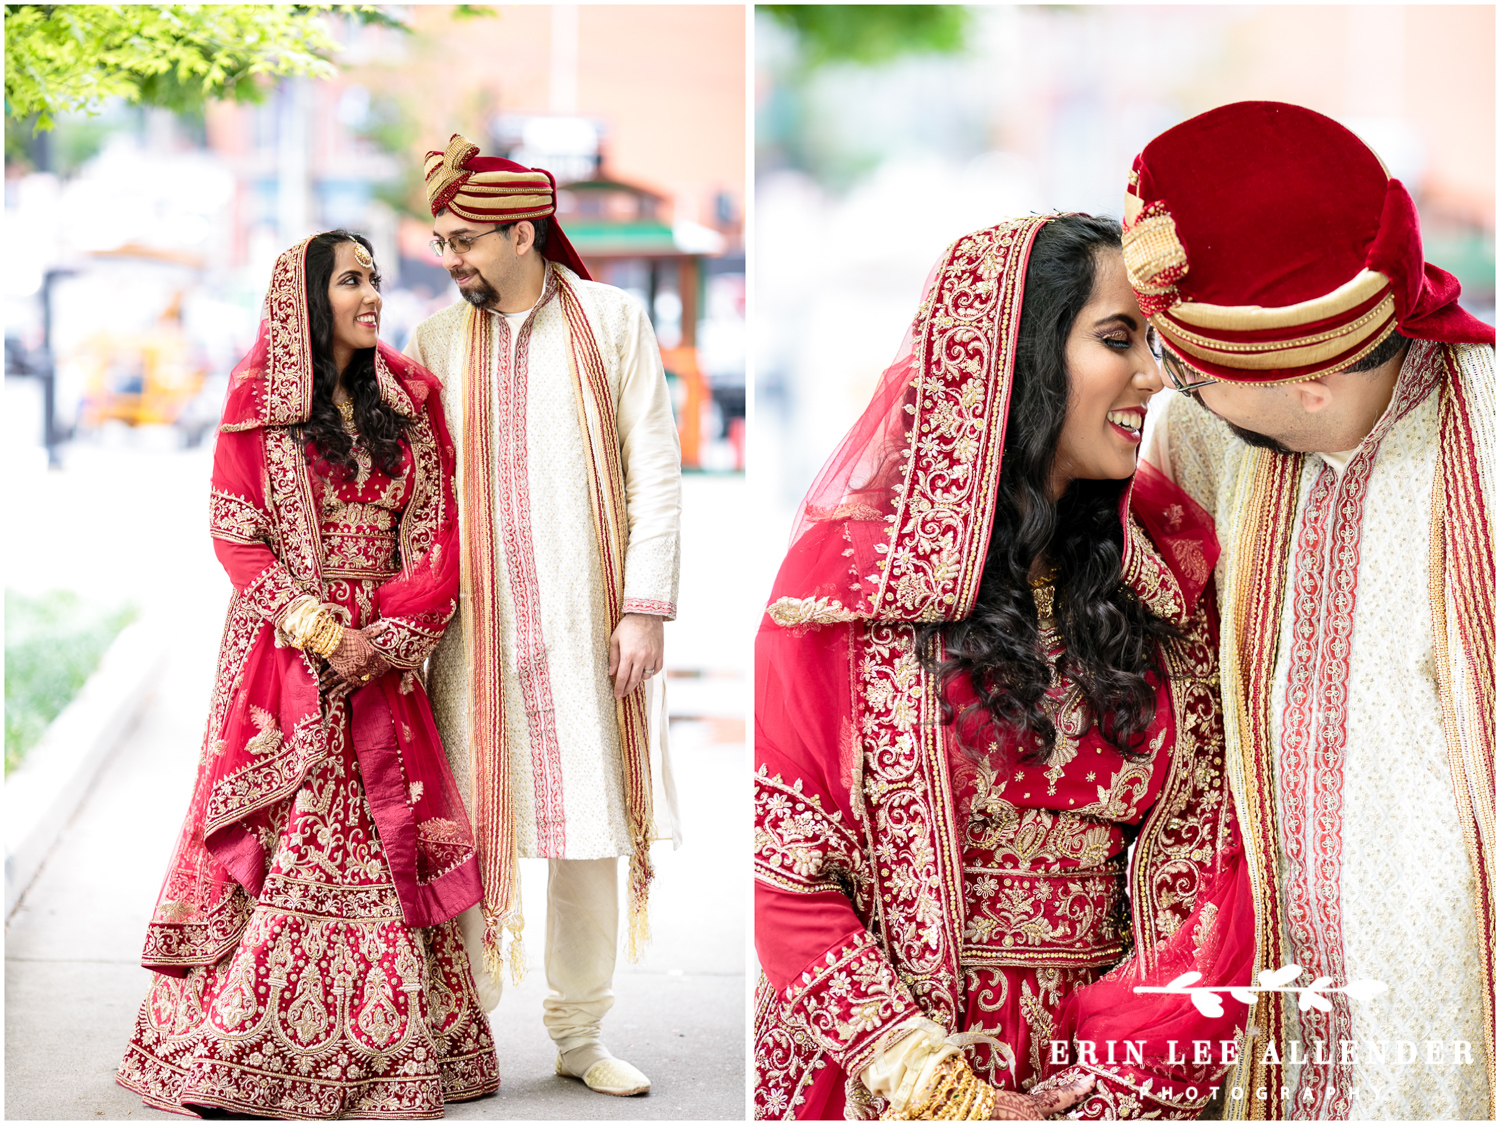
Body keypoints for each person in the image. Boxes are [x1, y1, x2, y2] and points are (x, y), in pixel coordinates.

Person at [754, 213, 1257, 1121]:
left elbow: (1211, 865)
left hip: (1106, 1069)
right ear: (1012, 355)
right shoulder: (855, 582)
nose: (1152, 373)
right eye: (1118, 337)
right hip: (887, 1069)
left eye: (1152, 340)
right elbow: (785, 872)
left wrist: (1103, 1086)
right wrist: (940, 1089)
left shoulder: (1163, 579)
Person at [1128, 101, 1495, 1122]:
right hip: (1260, 999)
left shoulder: (1490, 445)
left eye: (1194, 373)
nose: (1169, 385)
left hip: (1451, 1012)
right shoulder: (1195, 435)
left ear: (1317, 382)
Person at [116, 231, 500, 1117]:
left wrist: (393, 634)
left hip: (387, 663)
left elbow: (440, 532)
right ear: (305, 298)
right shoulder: (256, 403)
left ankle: (380, 1055)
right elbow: (236, 534)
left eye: (375, 278)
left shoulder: (412, 398)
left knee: (379, 837)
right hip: (283, 659)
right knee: (280, 840)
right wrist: (323, 630)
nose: (373, 294)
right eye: (352, 280)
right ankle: (235, 1052)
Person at [404, 134, 682, 1097]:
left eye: (467, 242)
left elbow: (654, 468)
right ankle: (459, 1030)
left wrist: (644, 609)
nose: (452, 260)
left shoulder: (612, 321)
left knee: (586, 826)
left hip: (585, 618)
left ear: (524, 232)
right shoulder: (436, 341)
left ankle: (578, 1034)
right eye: (443, 243)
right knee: (466, 824)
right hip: (470, 632)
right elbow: (416, 490)